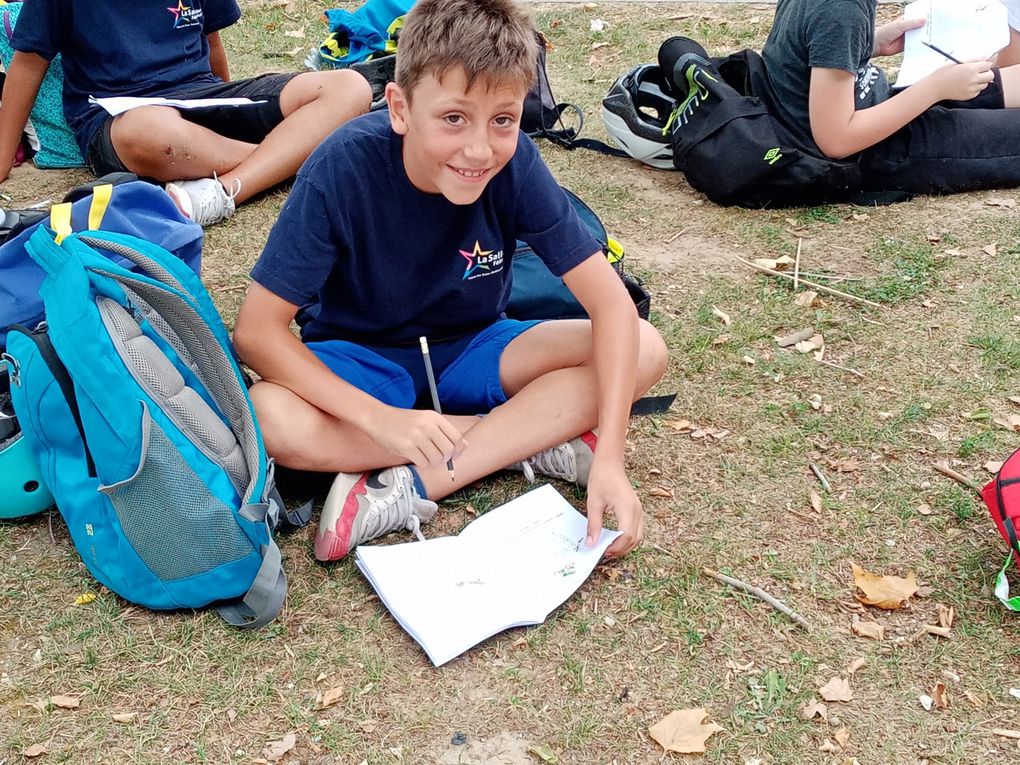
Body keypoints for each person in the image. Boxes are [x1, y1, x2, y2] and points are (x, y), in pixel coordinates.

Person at [233, 0, 668, 563]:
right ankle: (528, 438)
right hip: (360, 360)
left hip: (475, 348)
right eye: (453, 118)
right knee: (269, 418)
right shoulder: (340, 168)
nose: (479, 149)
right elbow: (257, 333)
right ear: (400, 108)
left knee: (644, 347)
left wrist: (610, 456)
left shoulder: (516, 165)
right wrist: (380, 420)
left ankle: (413, 480)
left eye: (503, 120)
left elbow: (612, 308)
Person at [0, 1, 372, 226]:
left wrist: (235, 113)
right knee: (151, 132)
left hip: (202, 95)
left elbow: (213, 46)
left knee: (348, 87)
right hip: (120, 117)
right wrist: (2, 158)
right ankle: (296, 158)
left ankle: (225, 188)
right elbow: (29, 64)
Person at [754, 0, 1020, 196]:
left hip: (873, 108)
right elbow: (835, 141)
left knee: (995, 82)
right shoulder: (842, 10)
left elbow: (808, 53)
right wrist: (935, 89)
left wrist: (871, 43)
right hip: (870, 151)